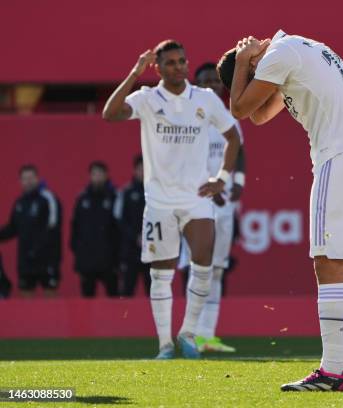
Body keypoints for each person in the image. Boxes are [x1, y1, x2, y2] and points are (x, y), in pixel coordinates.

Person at [217, 30, 343, 391]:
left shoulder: (278, 54)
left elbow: (240, 109)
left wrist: (243, 61)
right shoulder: (298, 48)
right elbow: (260, 116)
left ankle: (333, 370)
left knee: (328, 262)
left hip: (338, 161)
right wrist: (250, 70)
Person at [102, 40, 241, 359]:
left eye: (182, 61)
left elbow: (233, 137)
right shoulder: (148, 99)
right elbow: (110, 114)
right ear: (157, 67)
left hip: (196, 198)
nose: (179, 67)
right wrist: (134, 73)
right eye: (171, 62)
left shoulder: (204, 99)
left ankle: (188, 333)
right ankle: (164, 343)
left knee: (203, 264)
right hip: (160, 201)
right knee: (161, 273)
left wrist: (221, 179)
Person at [186, 62, 247, 353]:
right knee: (199, 268)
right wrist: (213, 188)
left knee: (218, 270)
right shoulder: (188, 116)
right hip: (199, 202)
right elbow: (183, 162)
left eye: (214, 80)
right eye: (205, 80)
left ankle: (207, 336)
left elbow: (240, 150)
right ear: (196, 84)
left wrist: (240, 182)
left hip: (224, 205)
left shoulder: (229, 115)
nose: (211, 85)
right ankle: (190, 333)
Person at [0, 165, 62, 297]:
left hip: (46, 259)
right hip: (26, 260)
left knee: (51, 300)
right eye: (24, 178)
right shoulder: (20, 202)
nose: (28, 181)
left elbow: (53, 228)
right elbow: (13, 228)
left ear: (37, 179)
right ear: (20, 181)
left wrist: (40, 250)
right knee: (26, 301)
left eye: (31, 178)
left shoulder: (48, 198)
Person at [70, 161, 119, 297]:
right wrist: (78, 253)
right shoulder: (82, 198)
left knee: (114, 300)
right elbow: (75, 228)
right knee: (86, 302)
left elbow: (120, 229)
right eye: (94, 174)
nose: (97, 177)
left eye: (100, 174)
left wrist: (118, 257)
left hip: (109, 260)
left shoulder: (115, 197)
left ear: (106, 175)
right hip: (87, 260)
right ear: (90, 176)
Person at [114, 155, 150, 296]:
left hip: (151, 250)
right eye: (140, 169)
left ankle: (155, 318)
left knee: (154, 292)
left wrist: (148, 237)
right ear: (134, 171)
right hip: (130, 250)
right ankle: (124, 318)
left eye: (145, 169)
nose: (142, 172)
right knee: (127, 292)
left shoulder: (156, 192)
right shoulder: (125, 192)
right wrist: (136, 237)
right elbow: (119, 219)